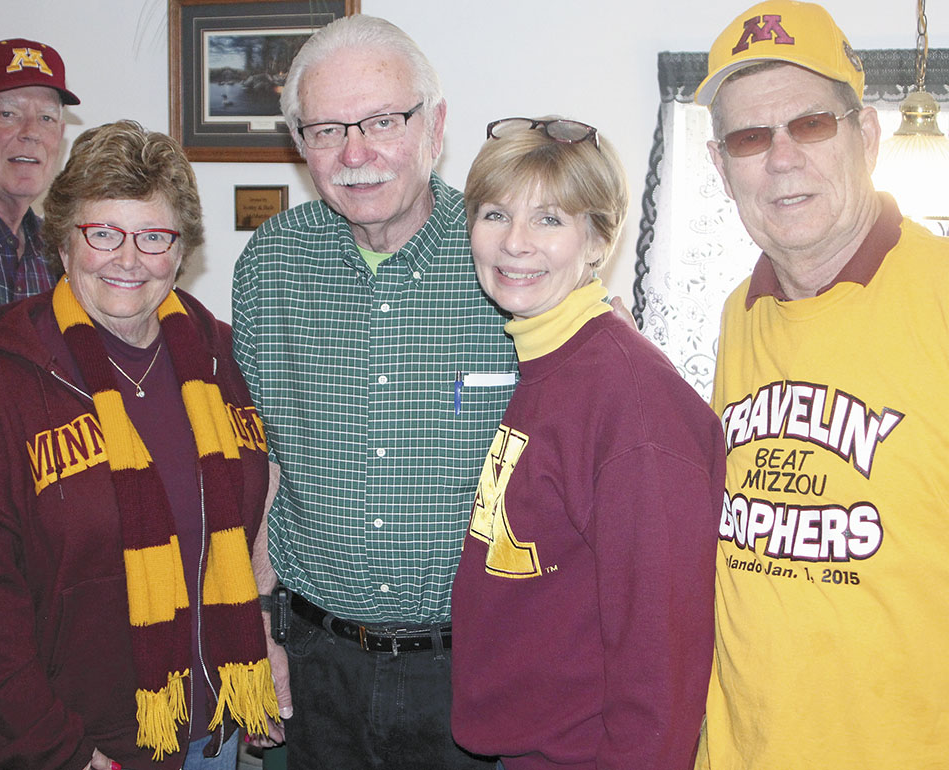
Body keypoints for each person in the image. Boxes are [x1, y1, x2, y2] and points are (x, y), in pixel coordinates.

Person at [232, 14, 518, 769]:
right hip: (317, 663)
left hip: (480, 667)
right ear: (301, 146)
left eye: (382, 121)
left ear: (436, 126)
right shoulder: (270, 265)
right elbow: (266, 463)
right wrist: (256, 624)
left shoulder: (510, 256)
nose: (356, 154)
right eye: (326, 130)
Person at [0, 120, 281, 770]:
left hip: (216, 731)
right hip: (84, 746)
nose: (129, 260)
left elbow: (254, 519)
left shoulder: (221, 357)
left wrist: (267, 649)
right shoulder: (0, 378)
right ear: (64, 243)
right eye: (103, 233)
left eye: (154, 236)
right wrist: (61, 753)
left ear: (180, 250)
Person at [693, 2, 949, 767]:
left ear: (865, 136)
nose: (780, 159)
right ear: (720, 165)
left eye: (809, 125)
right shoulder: (741, 311)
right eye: (749, 137)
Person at [448, 117, 724, 770]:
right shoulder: (551, 360)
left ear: (599, 240)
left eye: (549, 219)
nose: (515, 243)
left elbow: (664, 650)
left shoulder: (630, 400)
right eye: (494, 214)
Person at [0, 37, 77, 308]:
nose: (32, 133)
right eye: (8, 114)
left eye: (46, 118)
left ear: (61, 135)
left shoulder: (62, 253)